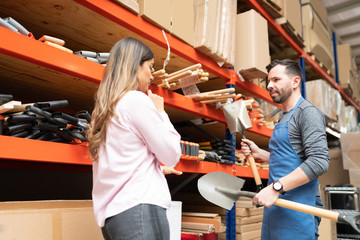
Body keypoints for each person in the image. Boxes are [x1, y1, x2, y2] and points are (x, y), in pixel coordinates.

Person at [87, 37, 182, 240]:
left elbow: (119, 159)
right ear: (134, 66)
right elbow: (172, 153)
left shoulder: (102, 111)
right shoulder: (135, 100)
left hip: (114, 217)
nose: (152, 74)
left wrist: (154, 167)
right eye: (150, 67)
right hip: (140, 211)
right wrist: (161, 113)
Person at [241, 59, 330, 240]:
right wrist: (261, 154)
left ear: (295, 82)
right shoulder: (284, 117)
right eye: (268, 81)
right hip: (275, 211)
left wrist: (276, 188)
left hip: (297, 213)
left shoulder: (307, 113)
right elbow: (289, 157)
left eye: (276, 80)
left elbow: (319, 161)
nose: (269, 85)